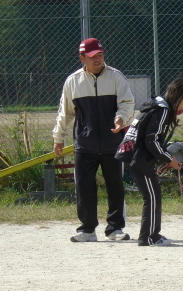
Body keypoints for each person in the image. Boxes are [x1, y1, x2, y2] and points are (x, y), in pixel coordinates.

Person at [53, 38, 135, 242]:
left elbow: (127, 103)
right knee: (84, 187)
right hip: (84, 144)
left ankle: (115, 229)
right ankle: (87, 230)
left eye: (100, 55)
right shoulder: (73, 81)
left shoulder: (116, 77)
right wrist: (58, 137)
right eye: (92, 57)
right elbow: (65, 113)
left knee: (115, 185)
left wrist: (121, 118)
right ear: (82, 58)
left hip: (112, 142)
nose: (98, 59)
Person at [118, 78, 183, 246]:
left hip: (136, 157)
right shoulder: (163, 110)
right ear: (179, 97)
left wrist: (162, 159)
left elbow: (149, 139)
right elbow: (152, 141)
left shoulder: (156, 106)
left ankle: (152, 234)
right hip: (140, 159)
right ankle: (149, 237)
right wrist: (169, 159)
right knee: (151, 197)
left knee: (153, 195)